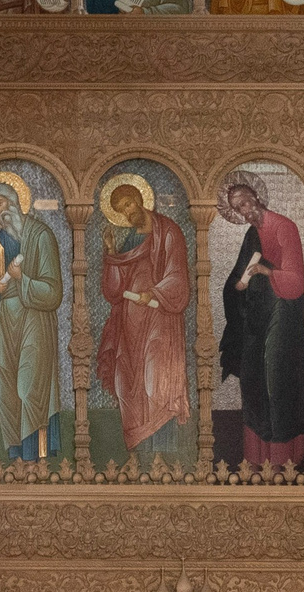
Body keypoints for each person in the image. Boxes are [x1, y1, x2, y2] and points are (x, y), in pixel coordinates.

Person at [218, 176, 304, 466]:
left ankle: (284, 458)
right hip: (257, 315)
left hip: (282, 314)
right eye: (238, 208)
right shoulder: (251, 234)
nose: (245, 210)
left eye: (246, 201)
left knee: (277, 379)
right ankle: (258, 456)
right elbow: (239, 273)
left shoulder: (284, 226)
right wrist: (237, 285)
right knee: (254, 379)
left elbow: (296, 281)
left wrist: (266, 270)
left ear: (257, 196)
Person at [95, 177, 189, 463]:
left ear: (140, 199)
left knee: (157, 380)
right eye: (122, 209)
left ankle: (163, 455)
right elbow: (113, 291)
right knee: (128, 382)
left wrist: (154, 293)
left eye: (128, 204)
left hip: (159, 319)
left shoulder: (168, 232)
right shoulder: (130, 239)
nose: (127, 212)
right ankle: (139, 454)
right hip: (130, 323)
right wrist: (111, 253)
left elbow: (178, 276)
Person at [0, 178, 62, 462]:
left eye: (1, 204)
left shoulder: (41, 235)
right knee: (2, 390)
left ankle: (37, 455)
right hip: (4, 323)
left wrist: (22, 280)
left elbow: (53, 292)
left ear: (15, 201)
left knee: (28, 387)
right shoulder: (0, 242)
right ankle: (15, 454)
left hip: (34, 319)